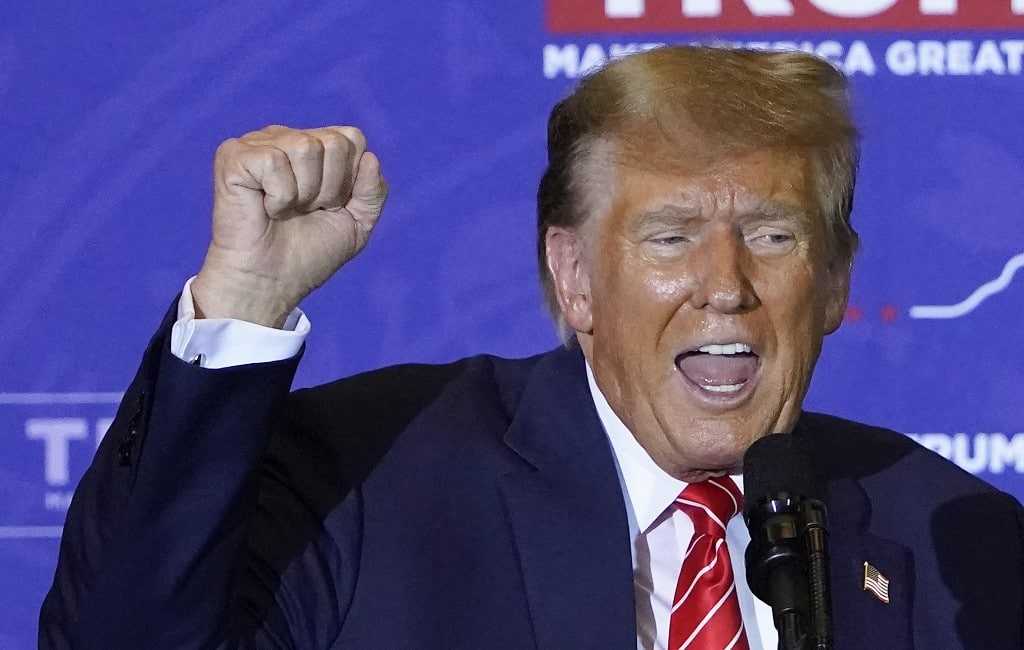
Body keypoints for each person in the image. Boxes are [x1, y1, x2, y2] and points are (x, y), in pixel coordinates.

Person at [40, 46, 1023, 649]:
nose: (725, 283)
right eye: (671, 235)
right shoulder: (363, 478)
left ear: (837, 280)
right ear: (574, 274)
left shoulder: (957, 537)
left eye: (772, 234)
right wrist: (244, 303)